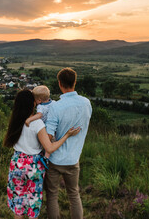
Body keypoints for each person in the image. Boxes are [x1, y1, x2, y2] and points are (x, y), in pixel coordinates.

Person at [4, 89, 80, 219]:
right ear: (32, 104)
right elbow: (49, 148)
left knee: (19, 203)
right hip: (33, 165)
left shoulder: (16, 121)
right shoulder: (37, 123)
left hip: (17, 163)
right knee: (32, 202)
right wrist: (67, 135)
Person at [45, 68, 92, 219]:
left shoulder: (55, 106)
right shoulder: (86, 103)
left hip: (55, 160)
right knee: (74, 194)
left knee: (52, 195)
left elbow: (49, 136)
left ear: (59, 83)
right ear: (75, 82)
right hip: (73, 159)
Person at [25, 85, 55, 159]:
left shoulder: (40, 107)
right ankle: (47, 157)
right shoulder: (54, 103)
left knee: (45, 144)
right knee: (51, 143)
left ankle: (45, 158)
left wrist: (29, 119)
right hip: (53, 127)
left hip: (45, 128)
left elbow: (39, 115)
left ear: (39, 100)